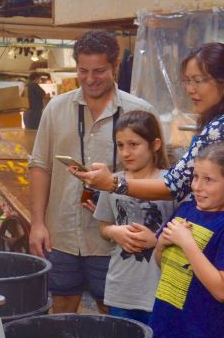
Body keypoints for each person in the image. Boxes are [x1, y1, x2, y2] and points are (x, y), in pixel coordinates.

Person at [74, 42, 224, 338]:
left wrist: (114, 184)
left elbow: (174, 183)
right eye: (187, 81)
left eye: (199, 80)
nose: (191, 89)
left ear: (223, 82)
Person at [28, 30, 154, 314]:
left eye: (99, 71)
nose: (90, 79)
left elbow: (155, 175)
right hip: (61, 233)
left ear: (115, 66)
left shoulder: (140, 112)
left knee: (112, 310)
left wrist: (114, 184)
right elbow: (40, 167)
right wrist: (37, 223)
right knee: (61, 305)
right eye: (83, 71)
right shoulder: (56, 109)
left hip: (114, 236)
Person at [151, 142, 224, 338]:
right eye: (196, 177)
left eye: (209, 180)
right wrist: (161, 244)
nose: (197, 186)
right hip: (163, 329)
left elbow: (223, 290)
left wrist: (187, 243)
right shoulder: (185, 209)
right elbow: (163, 264)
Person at [90, 110, 175, 325]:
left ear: (154, 144)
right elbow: (104, 226)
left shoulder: (170, 184)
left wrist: (157, 241)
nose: (126, 152)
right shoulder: (111, 182)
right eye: (120, 145)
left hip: (160, 290)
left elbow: (188, 232)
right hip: (121, 290)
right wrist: (114, 232)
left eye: (134, 144)